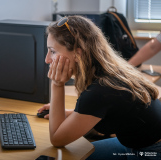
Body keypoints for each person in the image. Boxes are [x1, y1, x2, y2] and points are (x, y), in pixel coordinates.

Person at [38, 15, 161, 160]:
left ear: (78, 53)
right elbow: (102, 110)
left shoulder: (100, 90)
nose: (47, 59)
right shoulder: (107, 72)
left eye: (52, 51)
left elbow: (57, 140)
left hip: (150, 151)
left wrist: (57, 84)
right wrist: (68, 113)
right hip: (135, 142)